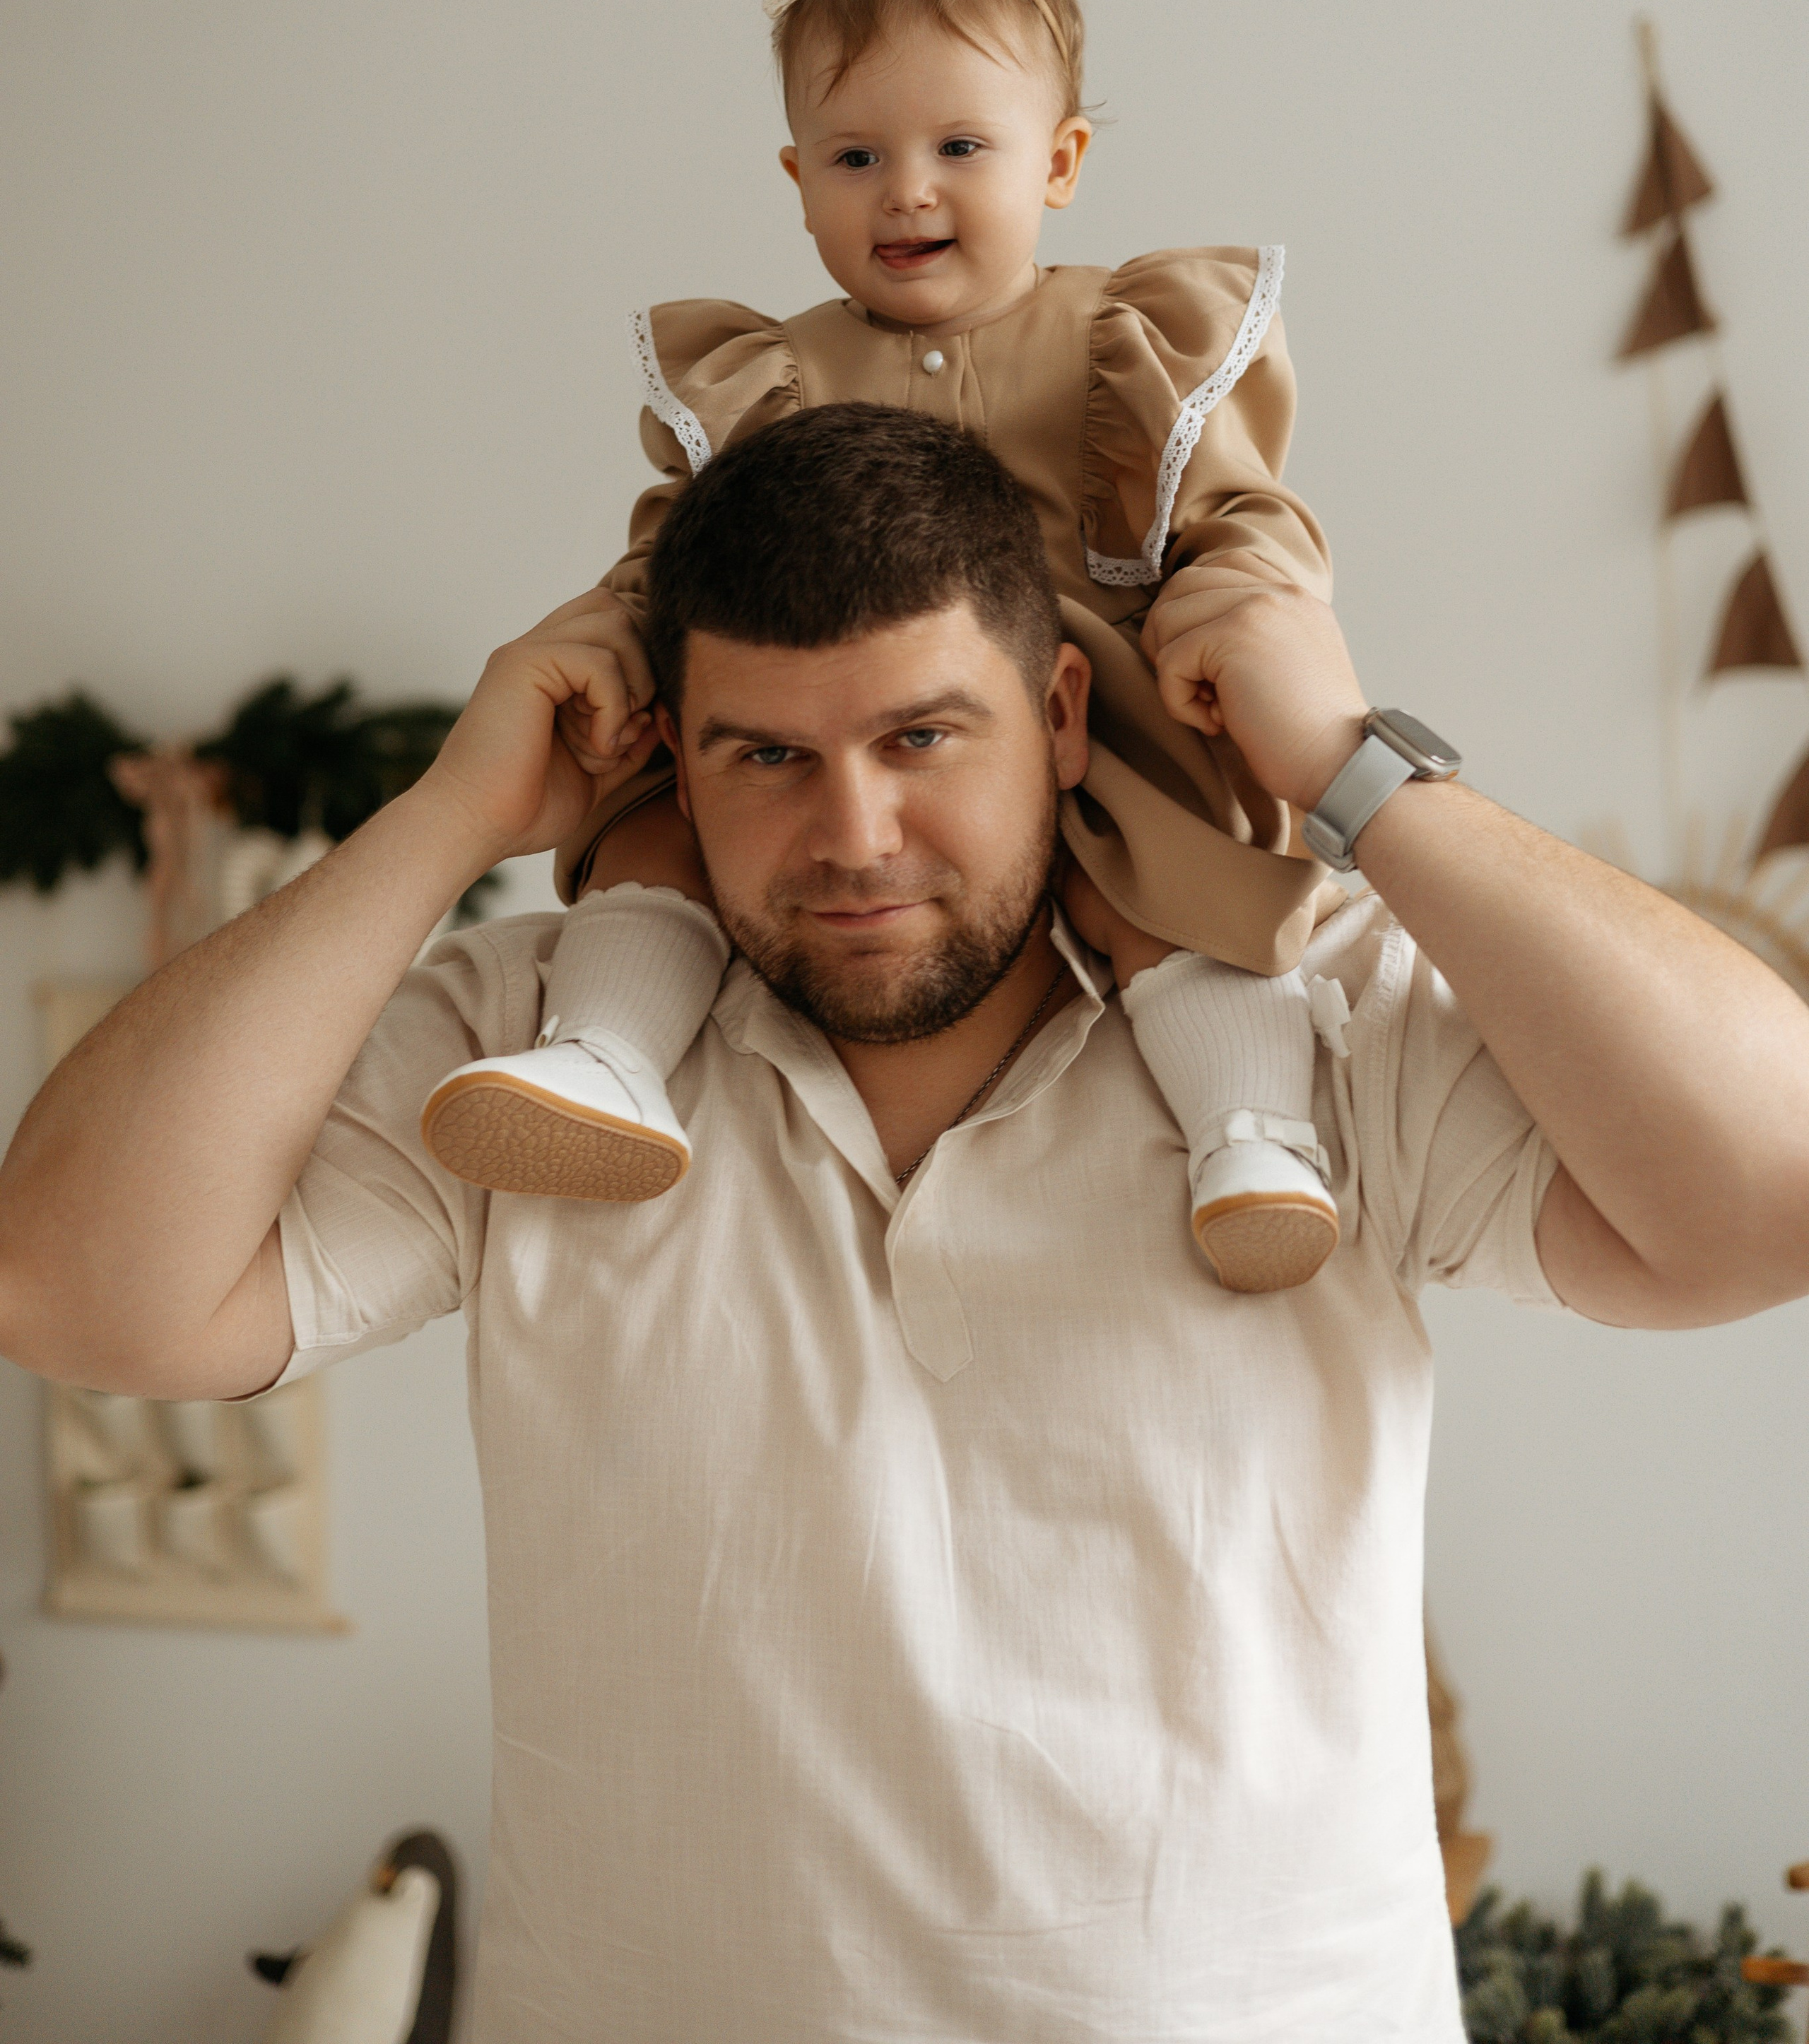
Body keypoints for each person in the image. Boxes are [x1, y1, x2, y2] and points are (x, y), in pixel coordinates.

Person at [6, 407, 1809, 2040]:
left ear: (1059, 717)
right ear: (669, 757)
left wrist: (1352, 769)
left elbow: (1769, 1194)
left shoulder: (1302, 1020)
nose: (852, 834)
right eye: (763, 757)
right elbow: (79, 1291)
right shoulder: (545, 1049)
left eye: (919, 736)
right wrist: (448, 812)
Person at [418, 0, 1347, 1292]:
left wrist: (1250, 608)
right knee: (659, 833)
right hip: (825, 719)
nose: (904, 190)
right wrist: (614, 643)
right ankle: (606, 1057)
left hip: (1099, 698)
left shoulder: (1123, 343)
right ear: (796, 180)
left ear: (1061, 160)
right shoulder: (765, 377)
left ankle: (1252, 1136)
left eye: (958, 148)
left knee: (1164, 888)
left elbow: (1238, 514)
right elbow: (684, 558)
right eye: (856, 156)